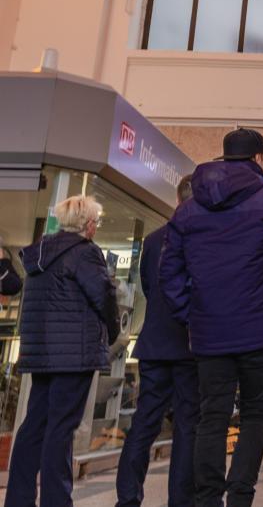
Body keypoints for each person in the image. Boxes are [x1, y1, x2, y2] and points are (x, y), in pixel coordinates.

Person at [161, 128, 263, 507]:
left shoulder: (188, 209)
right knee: (255, 415)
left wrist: (190, 313)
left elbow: (168, 272)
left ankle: (207, 500)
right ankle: (240, 497)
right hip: (262, 330)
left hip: (209, 333)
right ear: (259, 159)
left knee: (211, 417)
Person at [5, 195, 119, 507]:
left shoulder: (40, 252)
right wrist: (113, 331)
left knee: (34, 425)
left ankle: (18, 498)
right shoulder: (85, 253)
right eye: (95, 221)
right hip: (74, 355)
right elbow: (105, 296)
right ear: (89, 225)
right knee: (61, 428)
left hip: (41, 353)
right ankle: (56, 500)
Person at [116, 176, 200, 507]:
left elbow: (149, 288)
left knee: (143, 423)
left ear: (177, 198)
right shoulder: (203, 238)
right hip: (189, 345)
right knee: (187, 426)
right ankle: (180, 501)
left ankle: (127, 498)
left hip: (154, 343)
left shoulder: (152, 240)